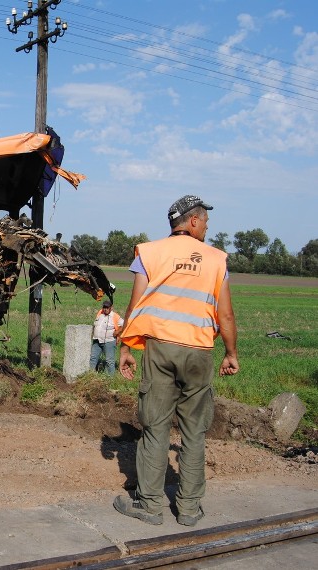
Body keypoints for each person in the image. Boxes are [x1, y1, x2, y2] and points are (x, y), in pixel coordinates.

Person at [113, 195, 239, 527]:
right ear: (193, 222)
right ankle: (188, 509)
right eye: (206, 222)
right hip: (198, 352)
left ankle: (151, 506)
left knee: (155, 428)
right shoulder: (215, 260)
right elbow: (225, 314)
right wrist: (231, 352)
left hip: (160, 350)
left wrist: (125, 348)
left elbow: (135, 305)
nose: (208, 226)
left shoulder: (150, 253)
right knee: (194, 432)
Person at [90, 299, 123, 374]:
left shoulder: (115, 316)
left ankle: (110, 378)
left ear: (111, 308)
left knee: (109, 361)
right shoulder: (100, 313)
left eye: (107, 307)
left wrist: (117, 332)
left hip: (109, 341)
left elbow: (124, 325)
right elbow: (95, 324)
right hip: (97, 340)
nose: (105, 309)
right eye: (104, 307)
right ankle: (90, 374)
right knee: (93, 358)